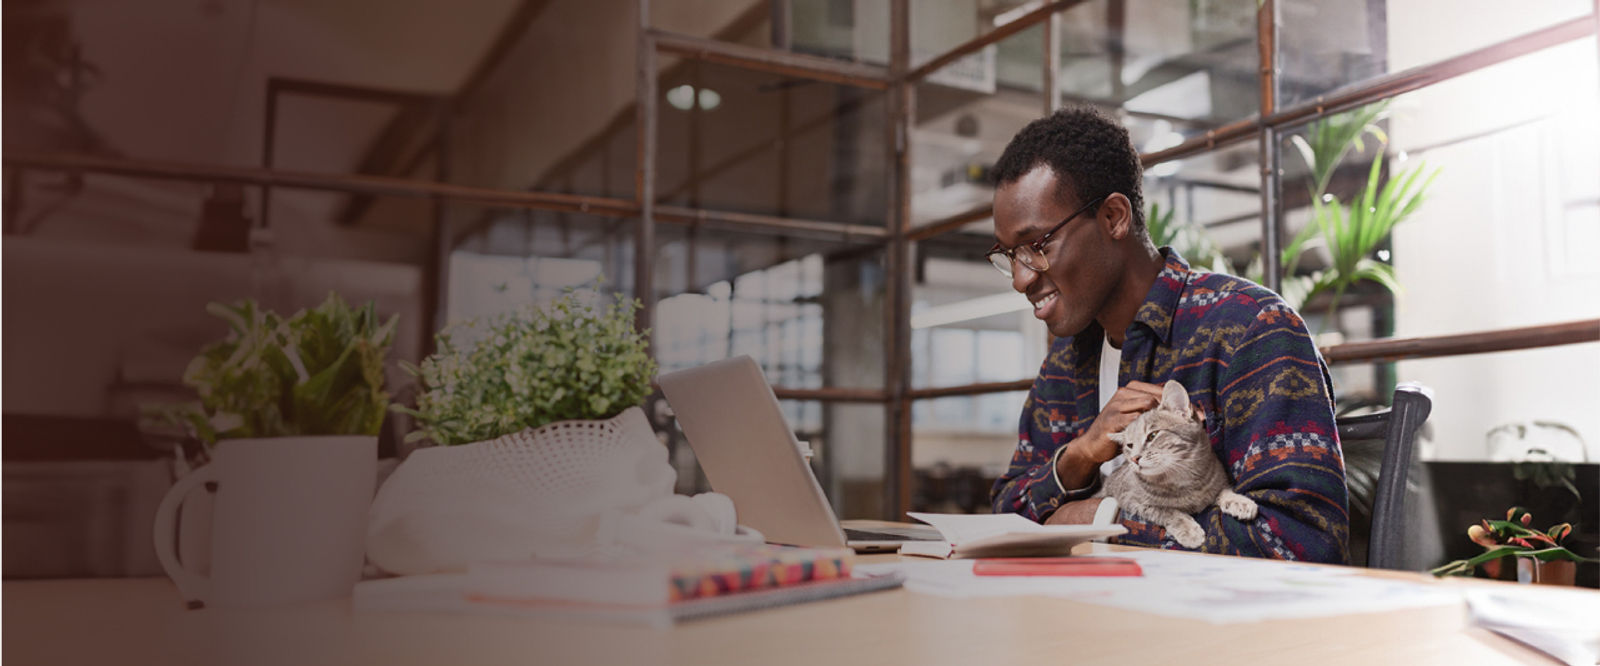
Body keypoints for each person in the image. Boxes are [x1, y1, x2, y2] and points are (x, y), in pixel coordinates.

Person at [986, 107, 1349, 563]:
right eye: (1009, 255)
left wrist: (1102, 522)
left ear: (1114, 217)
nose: (1020, 279)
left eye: (1036, 246)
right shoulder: (1065, 363)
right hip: (1083, 619)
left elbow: (1303, 540)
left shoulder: (1249, 329)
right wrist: (1077, 457)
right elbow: (1007, 513)